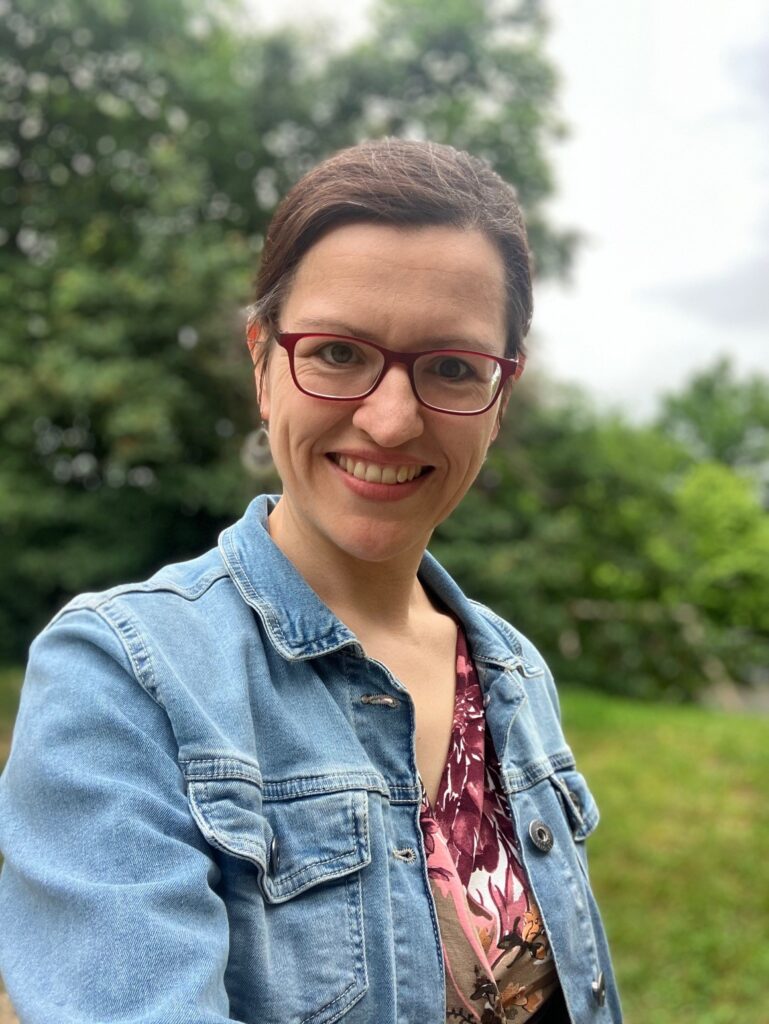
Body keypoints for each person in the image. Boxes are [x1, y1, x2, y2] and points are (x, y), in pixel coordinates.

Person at [0, 139, 622, 1024]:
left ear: (500, 397)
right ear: (262, 363)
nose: (392, 419)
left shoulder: (514, 675)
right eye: (337, 353)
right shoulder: (122, 680)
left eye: (452, 367)